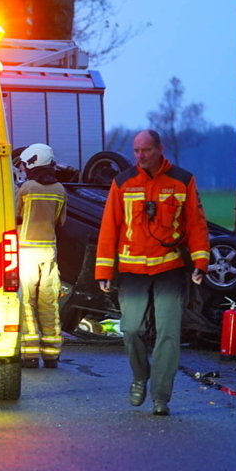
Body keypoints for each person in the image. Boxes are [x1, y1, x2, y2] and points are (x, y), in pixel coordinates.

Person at [94, 129, 210, 416]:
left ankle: (161, 396)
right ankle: (139, 377)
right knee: (132, 329)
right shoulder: (122, 182)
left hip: (169, 267)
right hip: (132, 268)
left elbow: (196, 224)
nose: (140, 156)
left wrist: (200, 263)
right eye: (136, 151)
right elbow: (110, 227)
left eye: (145, 151)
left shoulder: (183, 181)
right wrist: (104, 271)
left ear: (160, 149)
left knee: (168, 333)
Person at [15, 144, 67, 369]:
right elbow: (60, 221)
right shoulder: (60, 190)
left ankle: (29, 354)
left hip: (26, 251)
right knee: (49, 301)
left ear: (32, 164)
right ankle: (51, 354)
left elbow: (15, 215)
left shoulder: (26, 188)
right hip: (49, 252)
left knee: (26, 301)